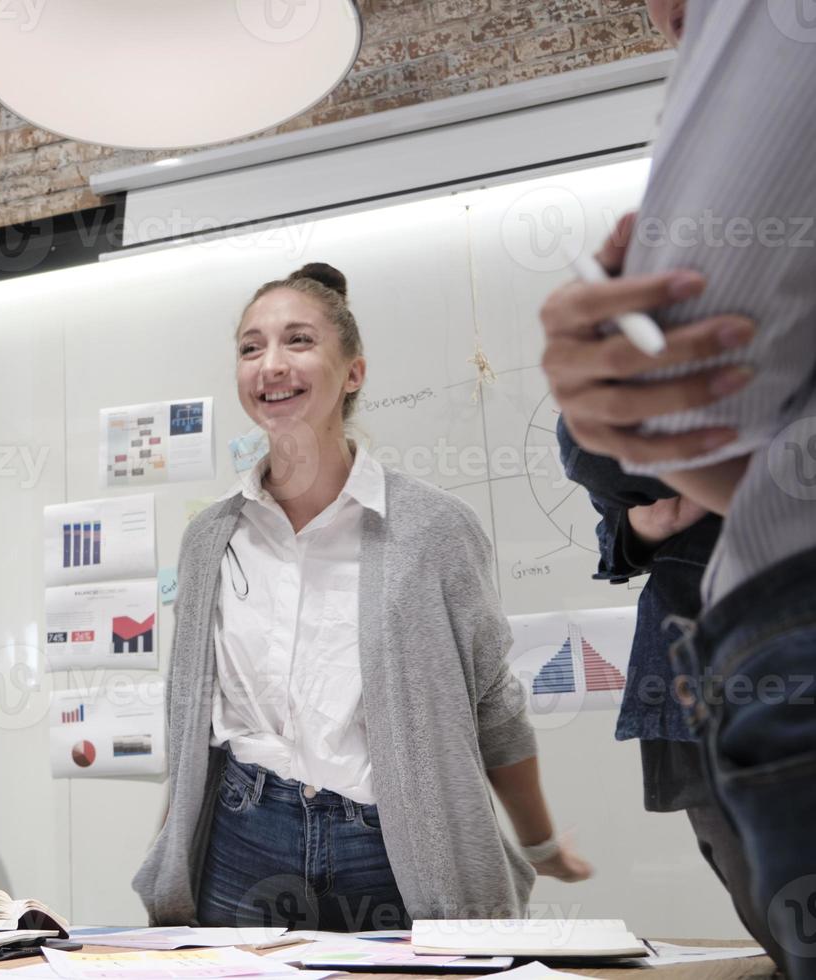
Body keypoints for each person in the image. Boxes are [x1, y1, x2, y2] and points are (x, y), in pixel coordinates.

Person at [133, 263, 590, 931]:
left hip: (388, 846)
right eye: (251, 347)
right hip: (241, 841)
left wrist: (540, 841)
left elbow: (492, 703)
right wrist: (171, 851)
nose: (270, 365)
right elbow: (190, 721)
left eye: (298, 341)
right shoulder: (210, 538)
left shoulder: (432, 529)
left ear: (354, 372)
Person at [539, 1, 816, 971]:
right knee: (752, 890)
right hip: (703, 643)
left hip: (770, 623)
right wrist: (656, 484)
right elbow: (609, 461)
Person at [557, 418, 775, 952]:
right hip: (691, 646)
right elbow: (590, 449)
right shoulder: (634, 366)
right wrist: (648, 522)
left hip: (778, 621)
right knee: (769, 899)